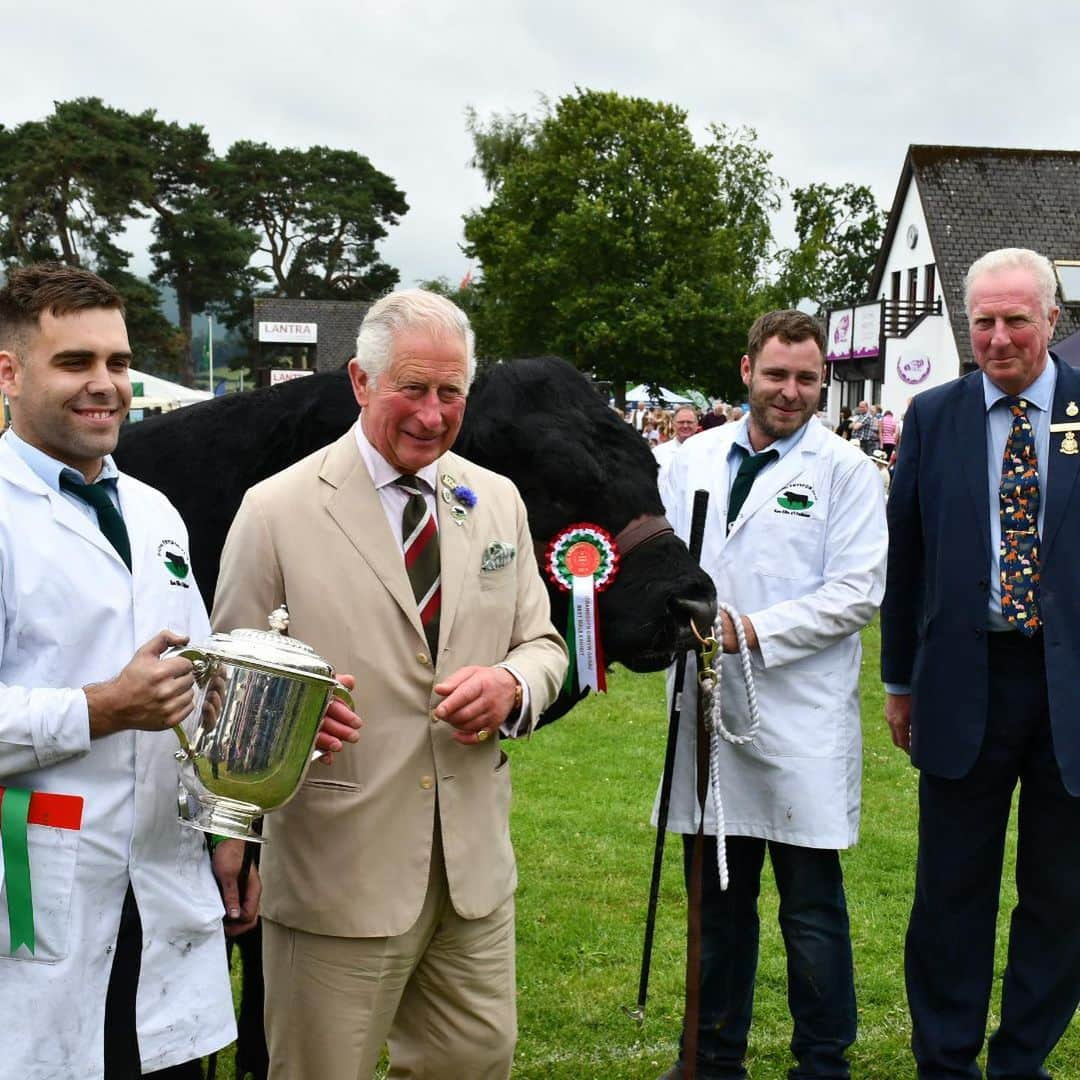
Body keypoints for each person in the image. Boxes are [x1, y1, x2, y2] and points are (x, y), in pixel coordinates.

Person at [0, 264, 357, 1080]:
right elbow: (123, 704)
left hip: (161, 883)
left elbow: (197, 688)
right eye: (75, 363)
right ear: (9, 374)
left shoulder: (154, 512)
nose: (106, 386)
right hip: (35, 880)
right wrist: (101, 707)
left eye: (119, 364)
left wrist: (273, 735)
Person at [211, 289, 568, 1080]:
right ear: (360, 381)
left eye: (451, 393)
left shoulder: (496, 499)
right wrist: (234, 825)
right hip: (338, 873)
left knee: (477, 1064)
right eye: (412, 387)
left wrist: (512, 683)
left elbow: (544, 644)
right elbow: (231, 693)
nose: (433, 414)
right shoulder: (274, 511)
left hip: (472, 876)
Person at [656, 310, 887, 1080]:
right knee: (716, 907)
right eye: (777, 373)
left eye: (807, 379)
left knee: (811, 912)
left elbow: (858, 592)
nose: (790, 392)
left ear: (824, 381)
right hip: (706, 717)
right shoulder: (686, 459)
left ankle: (822, 1064)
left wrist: (746, 629)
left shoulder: (847, 470)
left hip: (800, 719)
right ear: (747, 367)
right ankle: (711, 1057)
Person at [881, 247, 1080, 1079]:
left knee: (1063, 896)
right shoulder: (934, 416)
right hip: (967, 684)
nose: (998, 339)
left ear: (1054, 322)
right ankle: (947, 1061)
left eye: (1017, 320)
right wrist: (897, 682)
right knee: (950, 895)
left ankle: (1021, 1061)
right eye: (984, 322)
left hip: (1071, 690)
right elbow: (909, 560)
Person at [654, 405, 699, 476]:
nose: (685, 426)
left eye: (689, 422)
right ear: (673, 424)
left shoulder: (709, 452)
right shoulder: (658, 452)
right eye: (681, 422)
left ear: (697, 425)